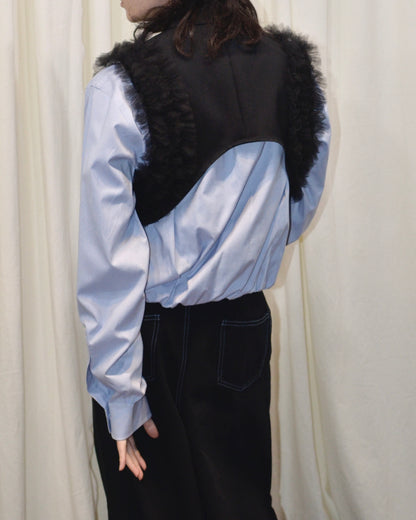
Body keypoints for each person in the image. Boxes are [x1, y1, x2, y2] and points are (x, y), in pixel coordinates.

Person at [77, 0, 331, 518]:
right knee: (240, 501)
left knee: (152, 506)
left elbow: (109, 257)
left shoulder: (122, 85)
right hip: (242, 325)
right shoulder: (291, 70)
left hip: (150, 337)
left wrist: (120, 392)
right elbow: (297, 202)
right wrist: (240, 247)